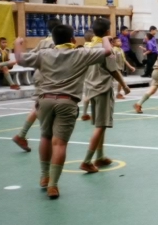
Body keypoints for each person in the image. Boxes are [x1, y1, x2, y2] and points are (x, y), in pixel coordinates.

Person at [13, 25, 112, 199]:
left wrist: (18, 43)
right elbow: (107, 52)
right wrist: (105, 38)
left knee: (45, 137)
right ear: (73, 40)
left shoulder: (44, 54)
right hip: (67, 102)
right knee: (59, 143)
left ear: (54, 40)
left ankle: (44, 176)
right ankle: (53, 185)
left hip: (45, 100)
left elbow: (20, 59)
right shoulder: (80, 54)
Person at [80, 19, 131, 173]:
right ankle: (87, 160)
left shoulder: (87, 47)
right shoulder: (106, 49)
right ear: (108, 32)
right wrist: (124, 85)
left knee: (99, 124)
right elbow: (113, 70)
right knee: (101, 125)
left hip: (90, 88)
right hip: (102, 88)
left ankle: (100, 156)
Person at [12, 18, 60, 152]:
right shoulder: (58, 42)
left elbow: (30, 56)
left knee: (39, 105)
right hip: (49, 77)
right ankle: (25, 135)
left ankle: (23, 135)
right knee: (41, 107)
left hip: (39, 75)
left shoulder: (42, 42)